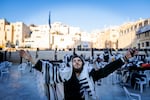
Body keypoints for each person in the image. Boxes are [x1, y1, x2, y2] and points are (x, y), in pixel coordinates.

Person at [19, 48, 137, 100]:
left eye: (79, 60)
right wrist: (29, 58)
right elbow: (45, 68)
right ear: (71, 63)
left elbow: (106, 70)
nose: (76, 62)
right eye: (74, 61)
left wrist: (125, 58)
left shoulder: (89, 75)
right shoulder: (63, 74)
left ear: (83, 63)